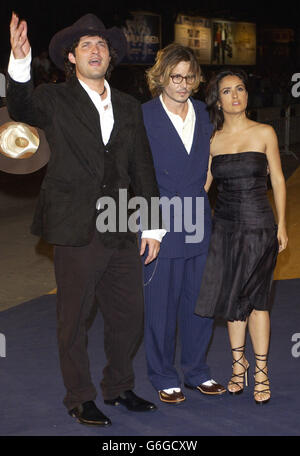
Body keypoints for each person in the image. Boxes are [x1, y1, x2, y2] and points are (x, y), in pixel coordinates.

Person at [7, 12, 165, 426]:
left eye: (101, 45)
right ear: (71, 58)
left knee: (129, 316)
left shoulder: (130, 106)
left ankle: (119, 386)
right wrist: (19, 60)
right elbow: (20, 105)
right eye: (86, 46)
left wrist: (152, 225)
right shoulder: (52, 98)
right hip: (74, 224)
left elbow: (142, 166)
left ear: (110, 56)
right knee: (74, 318)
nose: (95, 51)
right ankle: (80, 396)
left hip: (120, 223)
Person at [195, 68, 288, 404]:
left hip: (260, 226)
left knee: (258, 301)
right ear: (217, 101)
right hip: (225, 227)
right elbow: (203, 186)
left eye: (240, 89)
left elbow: (277, 179)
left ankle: (261, 373)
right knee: (233, 302)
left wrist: (282, 224)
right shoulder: (212, 139)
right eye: (226, 91)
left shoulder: (264, 132)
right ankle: (239, 367)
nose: (235, 96)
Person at [141, 43, 226, 404]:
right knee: (160, 305)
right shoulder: (142, 115)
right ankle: (163, 375)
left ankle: (196, 371)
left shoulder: (206, 114)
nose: (182, 84)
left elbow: (210, 163)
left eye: (188, 77)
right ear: (160, 77)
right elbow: (135, 174)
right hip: (159, 222)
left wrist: (199, 197)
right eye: (174, 76)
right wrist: (149, 226)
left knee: (199, 302)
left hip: (198, 219)